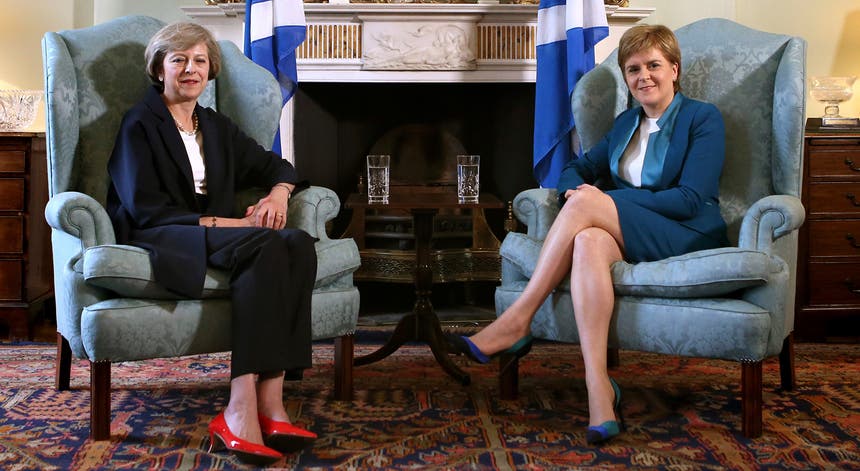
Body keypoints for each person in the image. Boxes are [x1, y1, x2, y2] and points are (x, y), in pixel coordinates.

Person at [448, 24, 728, 445]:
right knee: (586, 238)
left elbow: (690, 199)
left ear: (674, 69)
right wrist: (577, 193)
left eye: (653, 65)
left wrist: (602, 202)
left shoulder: (702, 118)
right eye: (633, 69)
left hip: (684, 230)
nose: (643, 76)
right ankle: (599, 387)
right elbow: (576, 170)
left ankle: (518, 318)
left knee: (586, 203)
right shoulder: (625, 123)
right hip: (630, 227)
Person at [106, 22, 317, 466]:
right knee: (264, 243)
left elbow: (278, 166)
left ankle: (272, 403)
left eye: (199, 61)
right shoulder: (139, 124)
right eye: (179, 60)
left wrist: (278, 194)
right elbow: (142, 208)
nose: (190, 69)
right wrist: (227, 222)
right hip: (163, 231)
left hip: (217, 230)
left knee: (296, 242)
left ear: (210, 70)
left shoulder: (216, 126)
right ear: (159, 68)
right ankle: (239, 405)